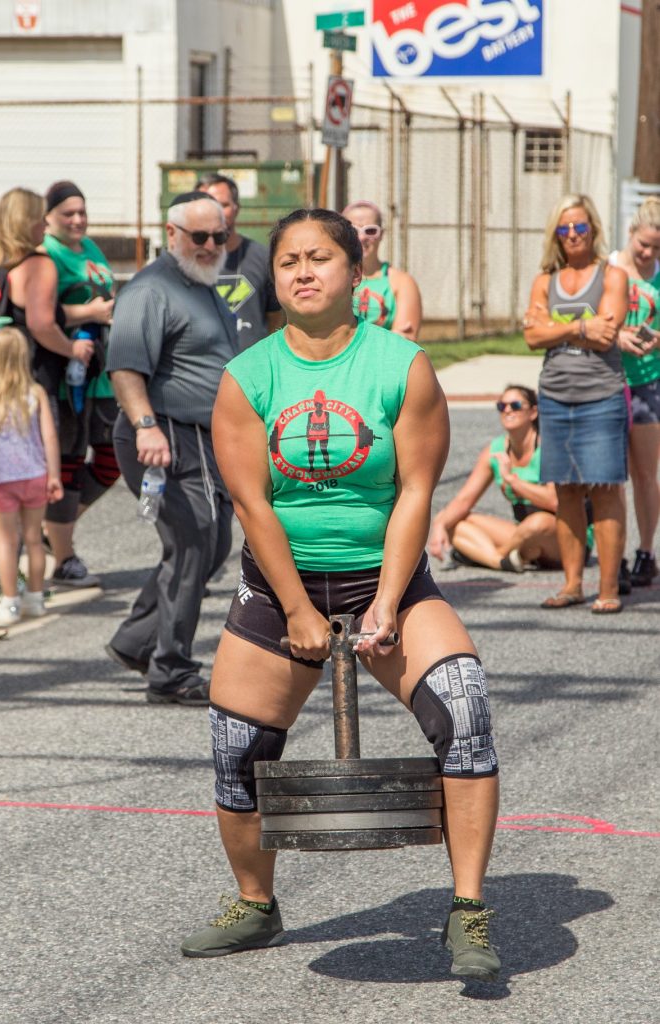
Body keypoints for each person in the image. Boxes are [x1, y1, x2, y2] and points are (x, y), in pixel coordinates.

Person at [181, 209, 501, 984]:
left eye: (319, 258)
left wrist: (388, 601)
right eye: (287, 259)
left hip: (382, 577)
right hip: (278, 586)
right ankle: (256, 903)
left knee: (464, 709)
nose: (301, 272)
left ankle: (467, 909)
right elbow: (253, 507)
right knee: (235, 752)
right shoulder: (247, 377)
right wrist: (294, 610)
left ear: (354, 272)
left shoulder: (401, 365)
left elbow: (416, 489)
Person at [105, 191, 238, 706]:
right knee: (193, 541)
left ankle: (137, 641)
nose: (209, 246)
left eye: (218, 236)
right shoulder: (151, 289)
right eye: (199, 236)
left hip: (203, 440)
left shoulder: (203, 284)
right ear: (172, 234)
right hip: (163, 436)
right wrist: (145, 426)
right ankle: (171, 671)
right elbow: (125, 367)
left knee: (212, 544)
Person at [0, 188, 95, 596]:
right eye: (38, 218)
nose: (44, 225)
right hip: (34, 381)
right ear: (26, 221)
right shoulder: (37, 263)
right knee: (40, 471)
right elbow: (43, 325)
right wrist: (74, 348)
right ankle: (31, 576)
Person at [523, 193, 628, 613]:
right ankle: (572, 584)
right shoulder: (544, 280)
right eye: (564, 229)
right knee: (566, 491)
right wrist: (582, 324)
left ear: (594, 230)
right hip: (554, 396)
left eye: (580, 227)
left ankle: (608, 590)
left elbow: (609, 330)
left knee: (604, 489)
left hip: (600, 394)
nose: (572, 235)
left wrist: (557, 326)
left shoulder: (612, 275)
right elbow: (531, 337)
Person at [42, 180, 119, 585]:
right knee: (69, 461)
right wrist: (86, 311)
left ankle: (53, 528)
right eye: (68, 213)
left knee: (112, 460)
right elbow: (41, 312)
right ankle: (63, 557)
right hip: (66, 373)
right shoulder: (46, 253)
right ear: (48, 216)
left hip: (100, 374)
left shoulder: (88, 247)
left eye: (82, 212)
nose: (77, 220)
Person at [0, 327, 63, 625]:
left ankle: (10, 602)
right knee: (34, 540)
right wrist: (54, 475)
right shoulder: (36, 393)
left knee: (6, 542)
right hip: (36, 476)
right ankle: (36, 599)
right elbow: (50, 438)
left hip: (2, 481)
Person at [427, 385, 560, 572]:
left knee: (538, 522)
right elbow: (464, 500)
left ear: (533, 412)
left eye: (514, 405)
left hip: (559, 535)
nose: (507, 410)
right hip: (522, 533)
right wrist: (439, 524)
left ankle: (485, 555)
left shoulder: (548, 448)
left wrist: (513, 481)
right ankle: (501, 561)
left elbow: (555, 501)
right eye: (501, 406)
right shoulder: (495, 450)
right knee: (453, 521)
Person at [608, 197, 660, 588]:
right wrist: (618, 336)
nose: (648, 253)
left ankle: (646, 552)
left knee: (644, 473)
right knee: (611, 477)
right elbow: (591, 320)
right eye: (644, 244)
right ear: (630, 233)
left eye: (657, 248)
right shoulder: (610, 268)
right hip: (609, 379)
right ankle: (617, 557)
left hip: (648, 382)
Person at [196, 173, 284, 349]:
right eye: (208, 204)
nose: (216, 211)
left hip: (250, 371)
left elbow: (277, 318)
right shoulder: (183, 263)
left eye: (224, 204)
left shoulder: (263, 257)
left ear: (236, 209)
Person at [342, 199, 422, 340]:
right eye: (353, 230)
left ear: (381, 234)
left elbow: (405, 340)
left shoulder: (402, 282)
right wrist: (390, 337)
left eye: (370, 230)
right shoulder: (333, 279)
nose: (361, 237)